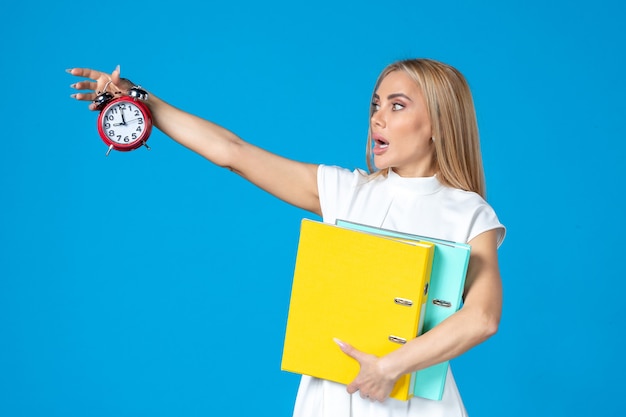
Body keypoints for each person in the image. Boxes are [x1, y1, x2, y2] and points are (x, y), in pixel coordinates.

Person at [68, 58, 505, 417]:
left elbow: (482, 317)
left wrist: (390, 367)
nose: (377, 117)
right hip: (333, 400)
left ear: (438, 125)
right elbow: (233, 152)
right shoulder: (346, 191)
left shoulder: (469, 214)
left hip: (419, 407)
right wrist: (139, 98)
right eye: (375, 104)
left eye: (397, 106)